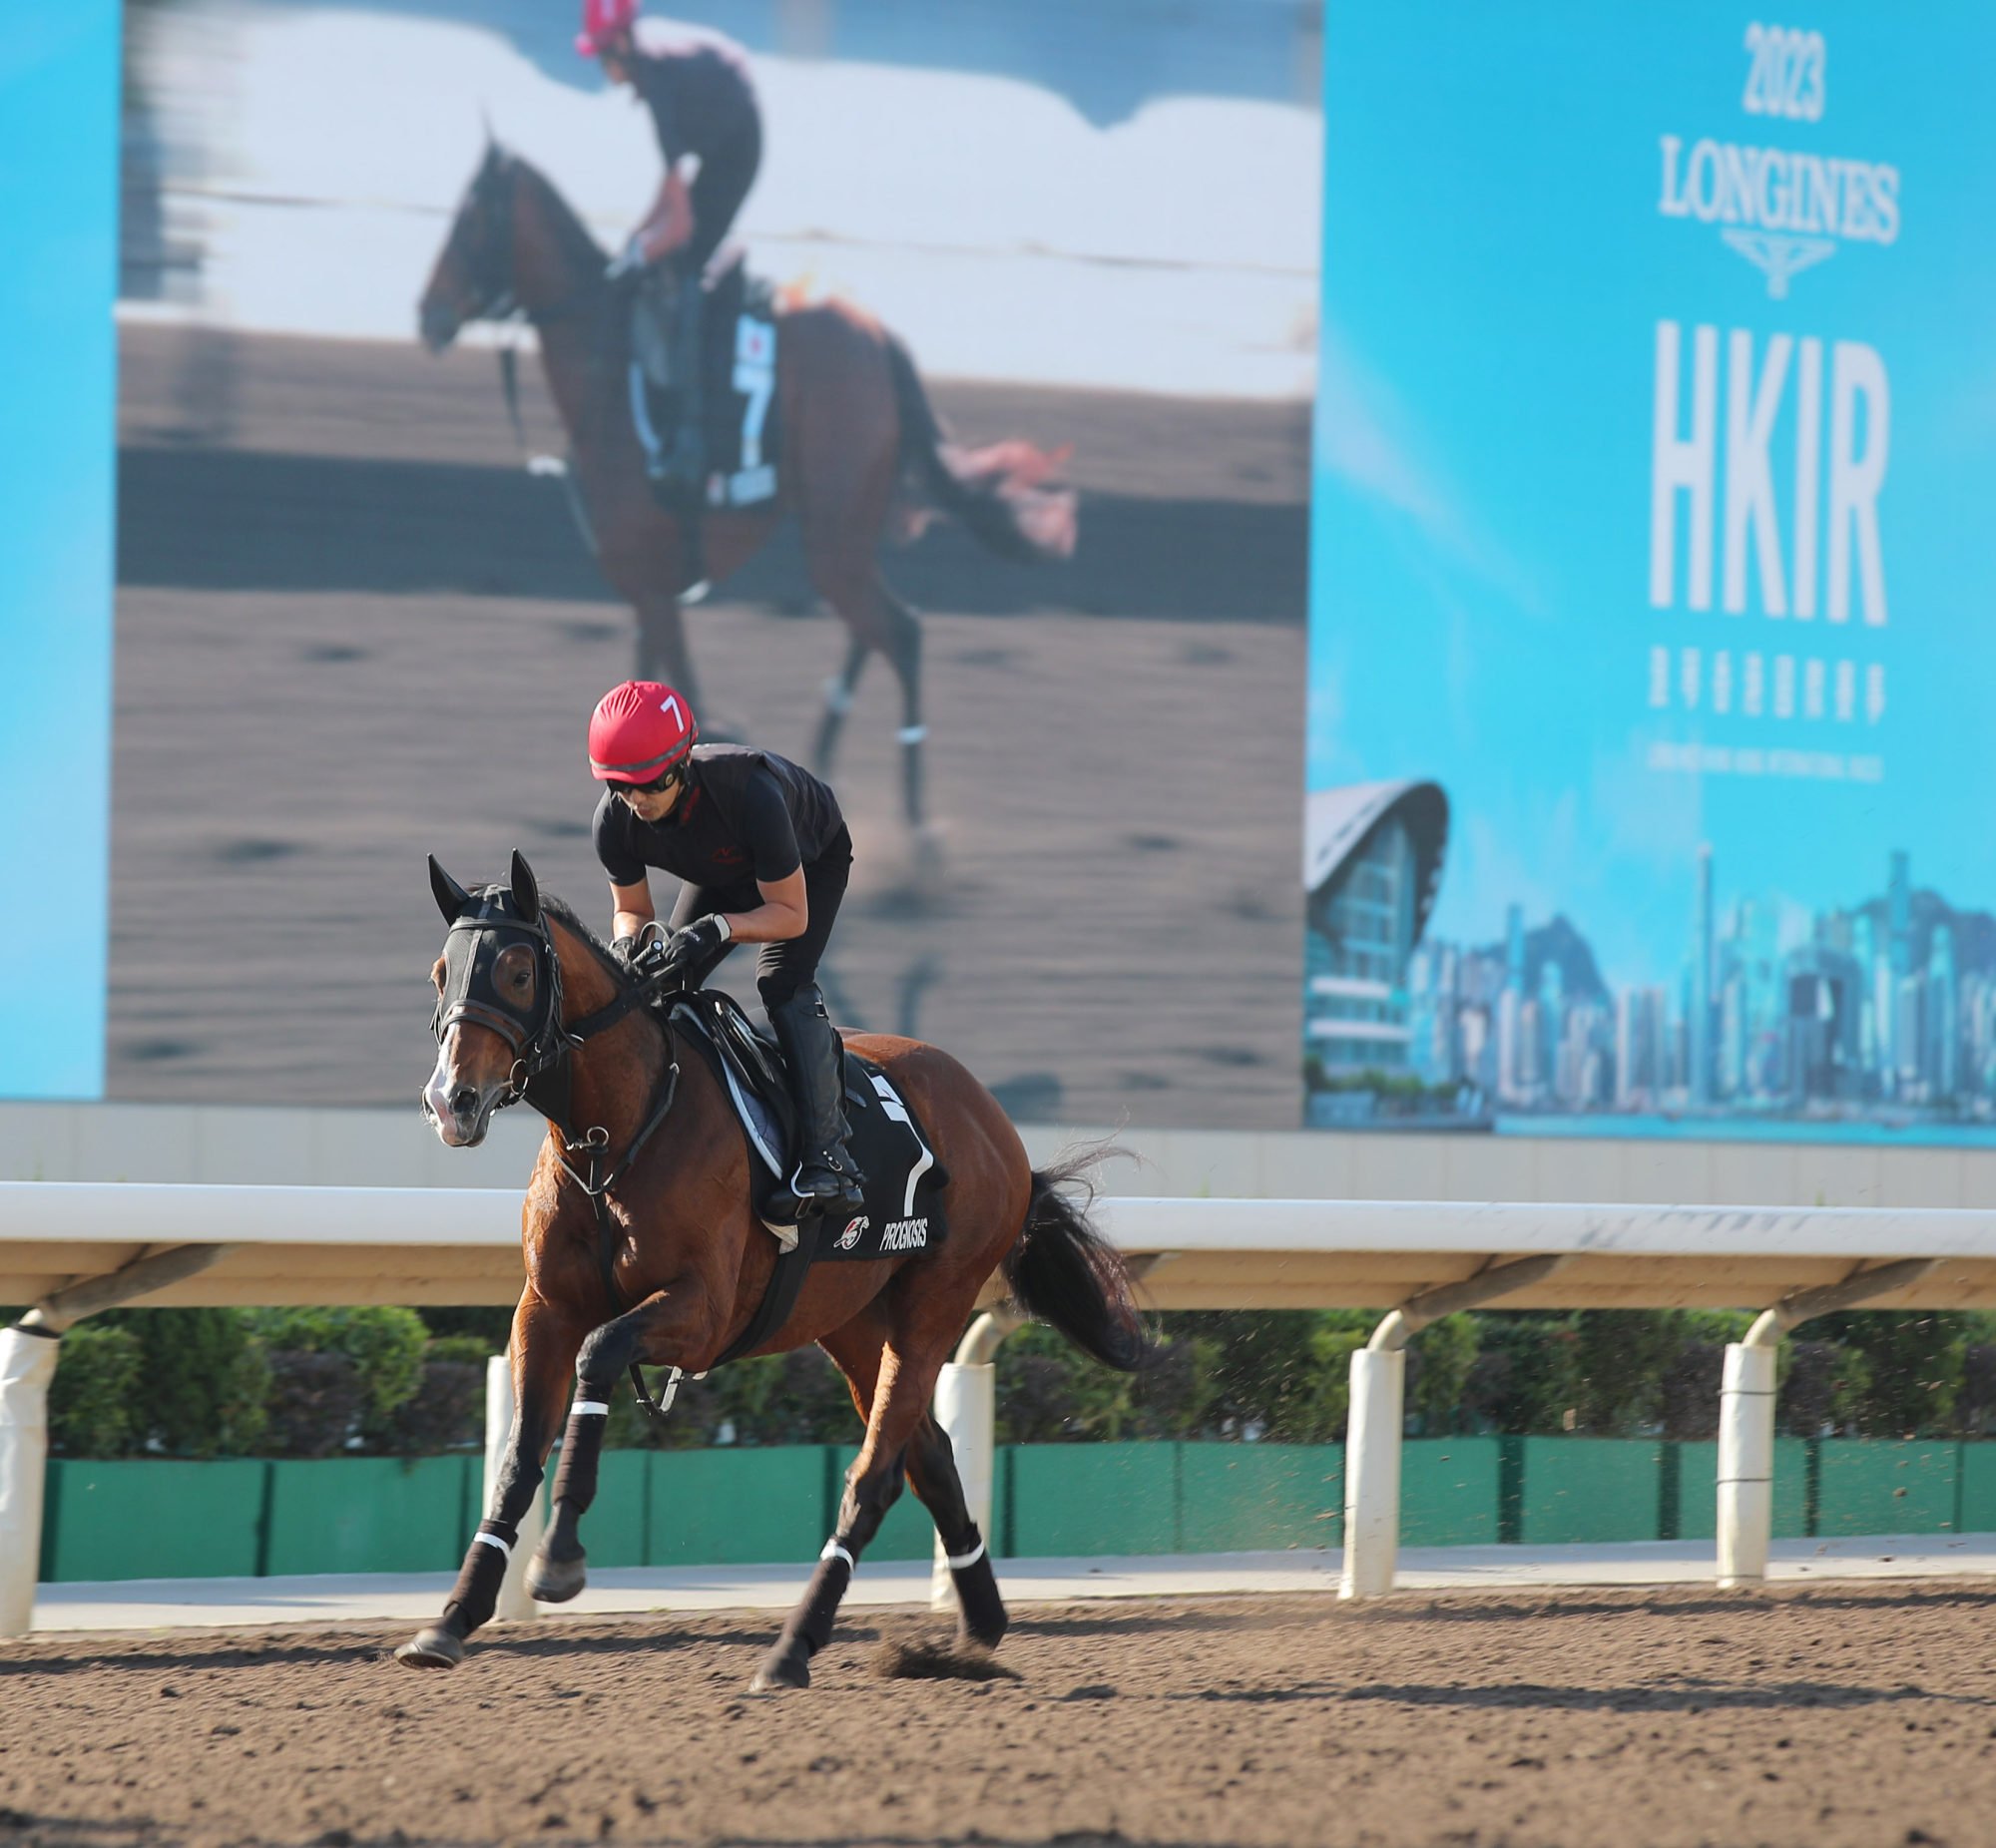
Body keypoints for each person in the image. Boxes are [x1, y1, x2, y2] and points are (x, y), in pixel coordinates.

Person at [587, 679, 865, 1220]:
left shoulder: (753, 795)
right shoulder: (614, 820)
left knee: (780, 984)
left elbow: (790, 916)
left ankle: (831, 1159)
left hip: (807, 865)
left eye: (648, 784)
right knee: (660, 983)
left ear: (682, 763)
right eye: (619, 787)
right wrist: (630, 947)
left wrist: (718, 928)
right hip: (721, 867)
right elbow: (633, 912)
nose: (635, 801)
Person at [577, 0, 761, 501]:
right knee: (657, 255)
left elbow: (678, 225)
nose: (601, 69)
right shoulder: (649, 59)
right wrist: (637, 239)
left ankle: (691, 441)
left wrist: (641, 254)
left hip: (737, 149)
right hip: (723, 126)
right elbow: (671, 182)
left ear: (619, 48)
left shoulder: (656, 86)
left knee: (682, 271)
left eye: (600, 57)